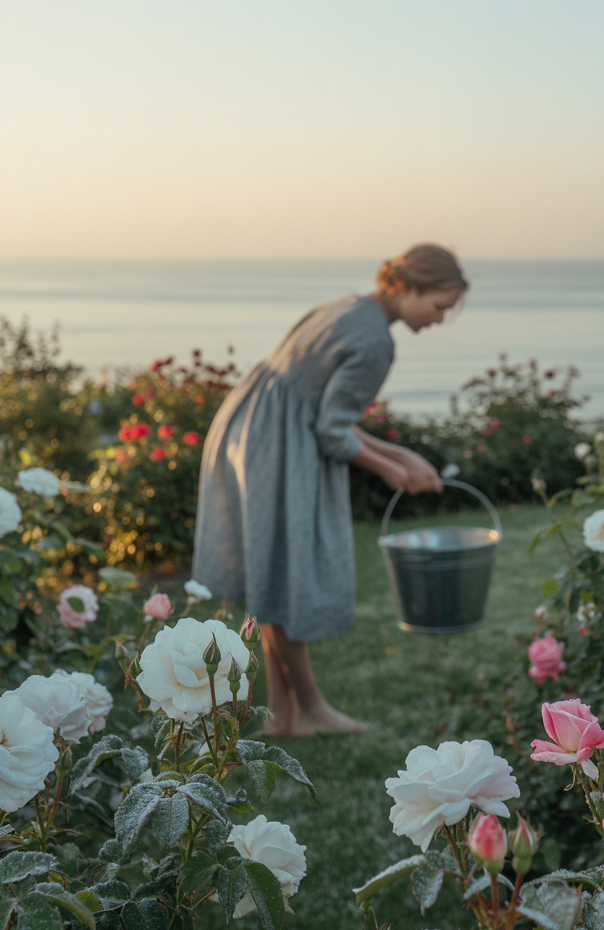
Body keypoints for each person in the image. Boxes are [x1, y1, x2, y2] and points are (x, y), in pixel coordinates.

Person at [192, 244, 468, 735]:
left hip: (253, 427)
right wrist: (388, 471)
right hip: (278, 444)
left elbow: (325, 414)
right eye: (439, 306)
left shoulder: (348, 306)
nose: (440, 318)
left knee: (273, 576)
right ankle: (303, 710)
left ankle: (288, 712)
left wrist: (400, 456)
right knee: (285, 576)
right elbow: (331, 432)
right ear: (408, 288)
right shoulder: (376, 342)